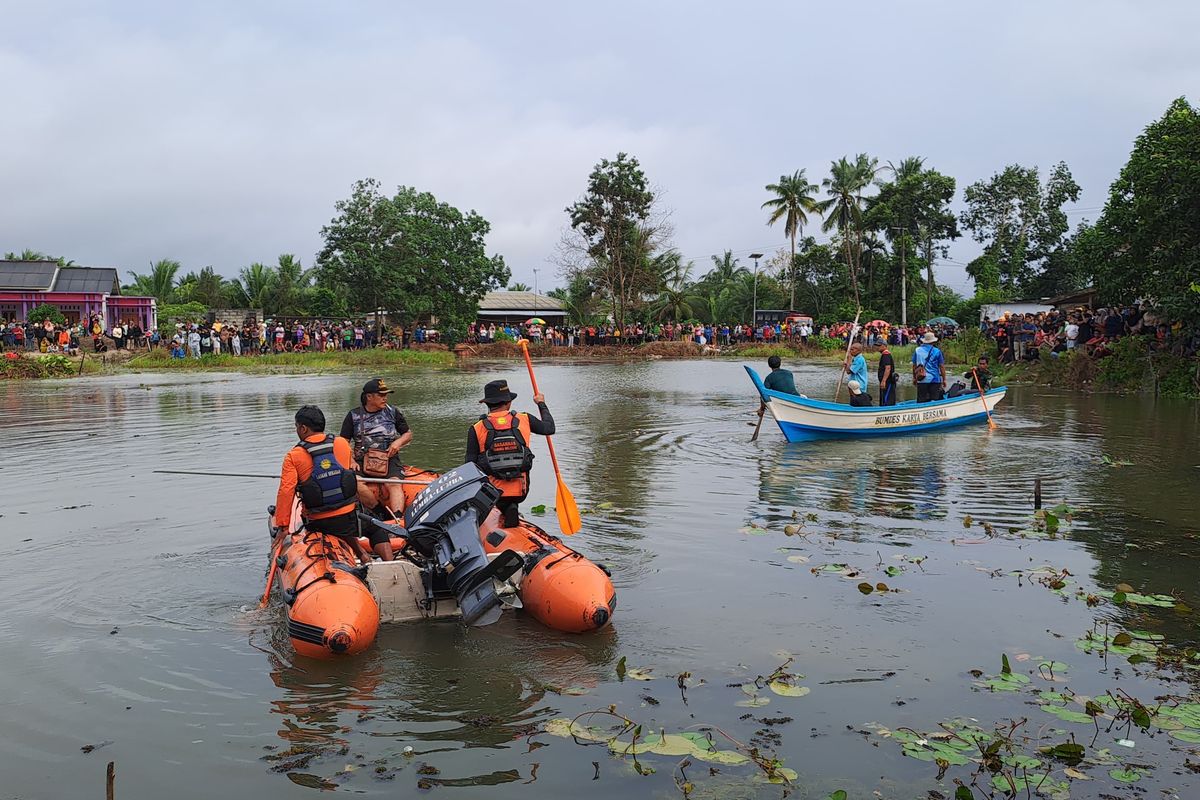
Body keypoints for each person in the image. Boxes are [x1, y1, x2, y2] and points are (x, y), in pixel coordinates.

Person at [274, 405, 387, 565]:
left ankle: (362, 555)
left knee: (336, 520)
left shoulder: (293, 456)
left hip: (317, 522)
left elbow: (286, 491)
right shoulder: (341, 444)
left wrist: (283, 526)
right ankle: (390, 565)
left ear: (303, 428)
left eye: (297, 427)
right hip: (348, 516)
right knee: (377, 530)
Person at [466, 379, 555, 528]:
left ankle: (504, 508)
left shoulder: (476, 428)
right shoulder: (524, 419)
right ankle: (512, 508)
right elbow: (549, 428)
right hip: (521, 491)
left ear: (487, 404)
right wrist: (541, 403)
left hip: (494, 494)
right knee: (517, 480)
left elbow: (469, 466)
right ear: (508, 403)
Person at [340, 378, 412, 520]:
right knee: (354, 482)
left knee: (395, 484)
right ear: (369, 397)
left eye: (386, 395)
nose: (385, 398)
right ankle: (379, 512)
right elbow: (343, 442)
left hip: (388, 458)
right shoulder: (353, 415)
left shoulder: (393, 412)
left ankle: (397, 518)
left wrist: (397, 443)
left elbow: (408, 434)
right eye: (381, 395)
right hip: (361, 459)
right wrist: (350, 460)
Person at [912, 331, 946, 402]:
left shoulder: (917, 350)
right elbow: (941, 366)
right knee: (934, 400)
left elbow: (914, 366)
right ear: (933, 341)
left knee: (921, 400)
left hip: (921, 379)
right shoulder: (937, 351)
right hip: (934, 379)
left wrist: (915, 378)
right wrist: (944, 379)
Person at [876, 342, 898, 406]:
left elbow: (888, 368)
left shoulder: (886, 355)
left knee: (886, 399)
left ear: (884, 346)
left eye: (879, 345)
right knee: (884, 397)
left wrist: (883, 381)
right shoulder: (884, 355)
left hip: (888, 381)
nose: (877, 347)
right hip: (887, 381)